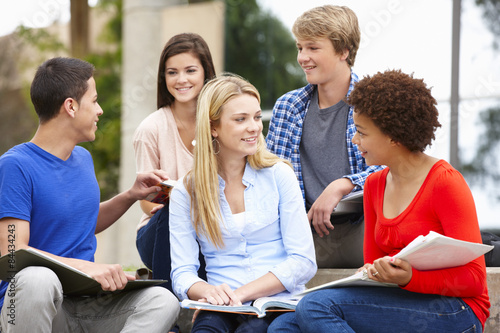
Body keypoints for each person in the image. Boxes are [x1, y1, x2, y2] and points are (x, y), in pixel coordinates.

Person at [268, 69, 490, 332]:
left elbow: (475, 280)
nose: (354, 140)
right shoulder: (374, 185)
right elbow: (373, 267)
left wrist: (411, 277)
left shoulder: (445, 182)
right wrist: (373, 273)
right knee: (283, 326)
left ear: (393, 136)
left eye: (362, 132)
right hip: (402, 301)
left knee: (316, 307)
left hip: (457, 310)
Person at [0, 57, 180, 332]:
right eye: (94, 100)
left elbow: (81, 223)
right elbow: (12, 254)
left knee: (161, 301)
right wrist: (85, 268)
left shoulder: (82, 159)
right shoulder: (15, 166)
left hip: (87, 305)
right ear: (70, 106)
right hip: (35, 305)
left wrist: (131, 195)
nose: (100, 110)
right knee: (38, 279)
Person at [169, 74, 317, 333]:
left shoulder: (280, 175)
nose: (254, 127)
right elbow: (182, 272)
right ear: (213, 127)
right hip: (221, 306)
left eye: (257, 117)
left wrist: (240, 294)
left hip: (277, 302)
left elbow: (303, 261)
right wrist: (207, 292)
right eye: (241, 119)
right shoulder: (187, 191)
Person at [265, 5, 384, 268]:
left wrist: (343, 184)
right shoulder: (288, 107)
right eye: (300, 47)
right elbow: (268, 178)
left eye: (313, 47)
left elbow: (394, 170)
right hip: (303, 238)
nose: (303, 57)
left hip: (366, 228)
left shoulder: (374, 103)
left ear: (344, 51)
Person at [134, 32, 216, 291]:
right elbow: (146, 202)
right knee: (174, 209)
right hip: (159, 233)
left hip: (212, 230)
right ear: (164, 77)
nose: (181, 80)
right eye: (172, 72)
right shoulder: (151, 129)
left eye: (190, 70)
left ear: (205, 73)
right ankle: (166, 315)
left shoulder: (221, 123)